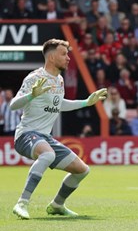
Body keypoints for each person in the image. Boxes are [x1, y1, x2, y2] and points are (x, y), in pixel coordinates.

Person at [11, 39, 108, 219]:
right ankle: (22, 203)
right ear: (52, 56)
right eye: (64, 54)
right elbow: (13, 105)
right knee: (48, 154)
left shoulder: (59, 80)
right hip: (26, 134)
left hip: (45, 137)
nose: (68, 58)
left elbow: (59, 104)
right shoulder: (35, 77)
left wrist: (87, 102)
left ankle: (57, 205)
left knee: (82, 170)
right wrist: (31, 95)